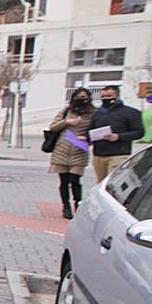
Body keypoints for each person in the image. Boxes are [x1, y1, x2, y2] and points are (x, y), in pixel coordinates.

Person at [49, 88, 95, 219]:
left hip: (79, 150)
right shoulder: (66, 111)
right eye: (79, 97)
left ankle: (77, 204)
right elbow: (53, 127)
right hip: (62, 149)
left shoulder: (93, 113)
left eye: (84, 97)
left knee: (75, 180)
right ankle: (66, 206)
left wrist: (87, 137)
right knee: (63, 181)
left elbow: (97, 129)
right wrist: (67, 122)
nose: (81, 99)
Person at [89, 85, 146, 182]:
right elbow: (90, 129)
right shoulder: (97, 112)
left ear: (117, 96)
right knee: (101, 184)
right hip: (98, 155)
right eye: (103, 96)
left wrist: (119, 137)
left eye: (109, 96)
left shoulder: (131, 112)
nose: (105, 99)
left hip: (118, 154)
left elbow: (139, 132)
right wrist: (85, 137)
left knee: (114, 182)